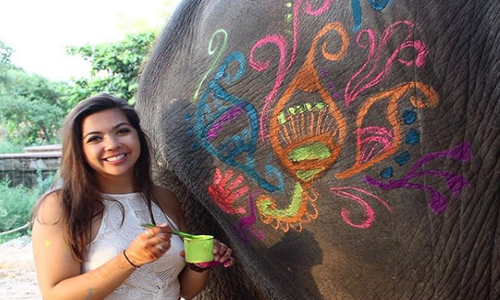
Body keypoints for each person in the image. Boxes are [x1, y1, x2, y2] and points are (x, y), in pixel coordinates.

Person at [31, 93, 235, 300]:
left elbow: (187, 291)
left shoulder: (165, 198)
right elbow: (55, 295)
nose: (112, 144)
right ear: (79, 149)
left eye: (122, 131)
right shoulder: (60, 206)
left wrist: (199, 264)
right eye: (95, 138)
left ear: (138, 135)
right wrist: (129, 259)